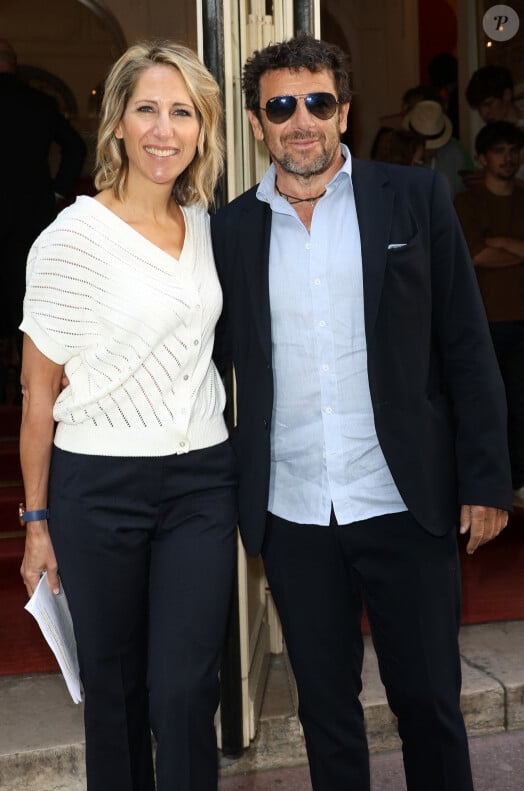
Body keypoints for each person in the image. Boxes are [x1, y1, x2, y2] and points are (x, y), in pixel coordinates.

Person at [211, 33, 511, 791]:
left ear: (344, 111)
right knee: (326, 712)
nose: (300, 120)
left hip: (403, 498)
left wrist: (485, 479)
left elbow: (467, 348)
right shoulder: (231, 230)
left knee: (429, 703)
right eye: (281, 105)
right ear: (257, 123)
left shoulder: (413, 198)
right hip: (295, 508)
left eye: (317, 102)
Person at [19, 41, 237, 791]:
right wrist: (36, 521)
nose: (163, 129)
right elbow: (37, 392)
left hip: (202, 482)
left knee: (184, 690)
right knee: (112, 693)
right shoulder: (71, 238)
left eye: (182, 112)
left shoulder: (209, 225)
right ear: (117, 123)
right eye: (146, 108)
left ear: (203, 130)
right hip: (98, 487)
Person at [0, 39, 86, 405]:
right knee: (29, 302)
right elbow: (75, 147)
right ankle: (31, 386)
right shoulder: (40, 102)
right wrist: (57, 192)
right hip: (31, 220)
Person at [454, 121, 524, 509]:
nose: (508, 157)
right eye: (499, 150)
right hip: (484, 320)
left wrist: (497, 241)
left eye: (513, 150)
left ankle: (521, 479)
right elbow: (476, 254)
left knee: (522, 402)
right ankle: (492, 485)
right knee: (488, 405)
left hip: (521, 317)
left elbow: (486, 250)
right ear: (482, 158)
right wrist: (511, 248)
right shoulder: (467, 203)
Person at [401, 99, 472, 197]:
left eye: (436, 145)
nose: (432, 151)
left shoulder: (454, 153)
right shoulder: (398, 159)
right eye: (426, 147)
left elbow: (463, 194)